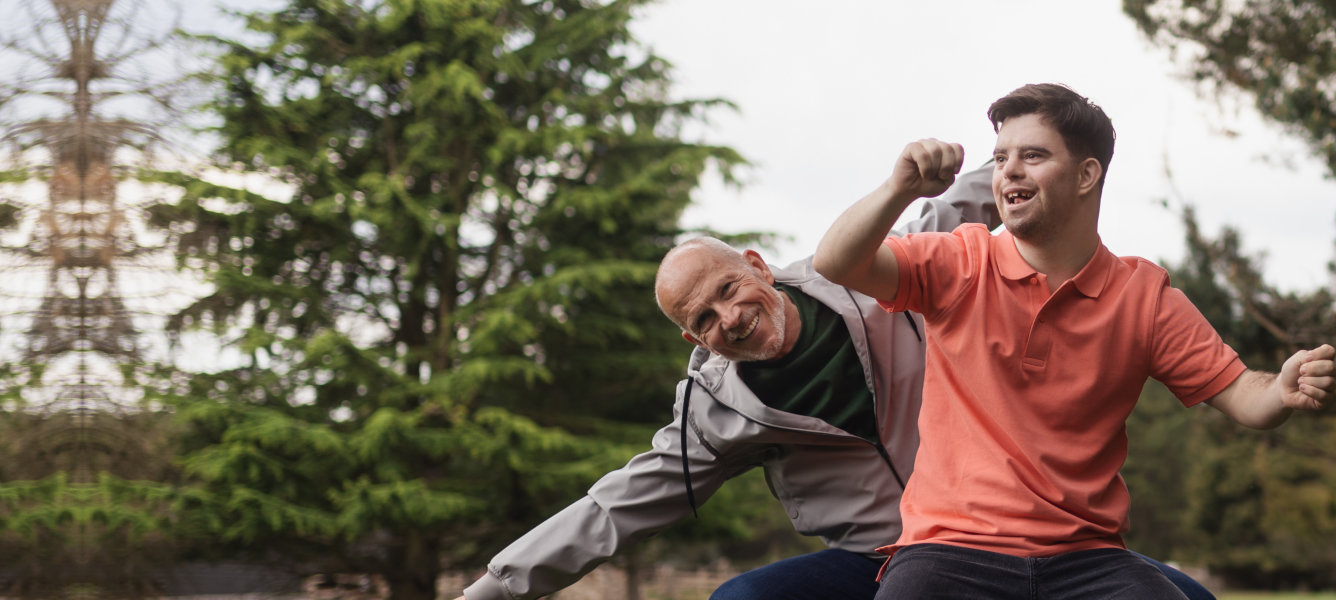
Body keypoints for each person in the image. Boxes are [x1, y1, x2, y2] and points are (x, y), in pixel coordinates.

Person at [455, 166, 1216, 600]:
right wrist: (492, 589)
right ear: (693, 339)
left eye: (727, 289)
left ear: (755, 264)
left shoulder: (869, 278)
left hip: (999, 531)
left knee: (1191, 599)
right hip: (876, 558)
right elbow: (614, 507)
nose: (730, 317)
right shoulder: (716, 413)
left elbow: (962, 197)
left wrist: (1028, 144)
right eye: (705, 319)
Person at [812, 83, 1336, 599]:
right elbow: (836, 262)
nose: (1008, 171)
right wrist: (899, 188)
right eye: (1000, 159)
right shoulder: (959, 261)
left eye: (1033, 155)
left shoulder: (1145, 297)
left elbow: (1246, 395)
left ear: (1087, 174)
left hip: (1089, 559)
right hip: (950, 551)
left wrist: (1281, 389)